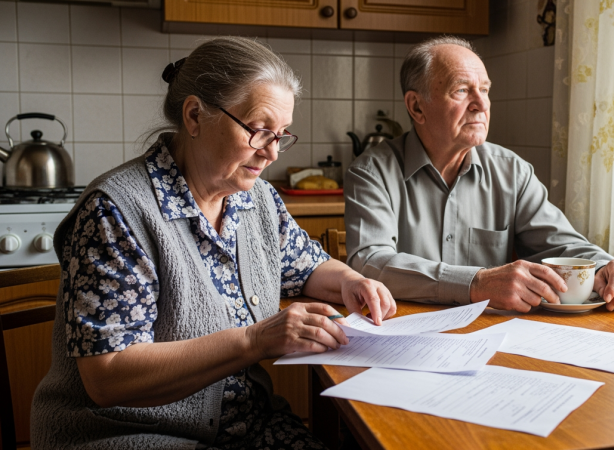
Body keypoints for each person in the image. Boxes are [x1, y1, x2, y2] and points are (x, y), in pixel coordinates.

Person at [31, 37, 396, 449]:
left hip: (246, 425)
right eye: (259, 132)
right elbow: (108, 376)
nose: (272, 153)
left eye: (281, 135)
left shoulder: (254, 197)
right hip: (125, 433)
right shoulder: (115, 211)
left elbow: (306, 265)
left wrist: (350, 280)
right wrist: (254, 341)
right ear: (194, 116)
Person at [344, 36, 614, 313]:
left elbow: (561, 244)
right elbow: (370, 263)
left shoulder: (512, 171)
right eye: (461, 90)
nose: (481, 103)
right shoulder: (372, 172)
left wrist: (605, 267)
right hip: (402, 333)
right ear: (416, 106)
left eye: (484, 90)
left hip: (491, 337)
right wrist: (477, 283)